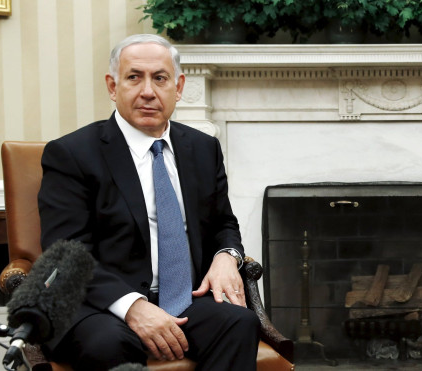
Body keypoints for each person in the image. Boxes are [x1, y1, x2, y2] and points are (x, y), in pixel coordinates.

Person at [38, 34, 260, 370]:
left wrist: (227, 257)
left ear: (179, 86)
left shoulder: (202, 148)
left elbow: (223, 224)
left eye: (159, 78)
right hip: (100, 305)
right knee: (108, 342)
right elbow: (66, 255)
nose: (147, 91)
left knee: (239, 324)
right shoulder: (72, 154)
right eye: (133, 77)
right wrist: (132, 307)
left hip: (185, 300)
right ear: (113, 87)